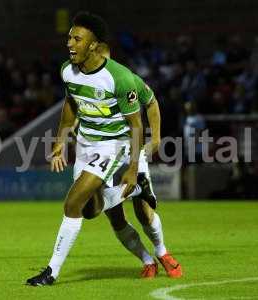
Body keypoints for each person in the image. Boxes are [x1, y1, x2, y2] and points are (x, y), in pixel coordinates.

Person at [26, 11, 153, 286]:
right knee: (90, 210)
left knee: (72, 203)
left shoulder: (119, 78)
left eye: (77, 39)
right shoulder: (67, 71)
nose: (70, 44)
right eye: (69, 37)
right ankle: (133, 191)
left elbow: (136, 125)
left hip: (112, 145)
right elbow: (71, 104)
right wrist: (60, 140)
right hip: (85, 144)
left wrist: (132, 168)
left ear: (93, 45)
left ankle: (51, 272)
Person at [81, 43, 183, 278]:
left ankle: (162, 252)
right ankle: (147, 260)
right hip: (97, 152)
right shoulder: (81, 83)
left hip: (129, 148)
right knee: (112, 215)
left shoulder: (125, 78)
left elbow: (152, 101)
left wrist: (156, 138)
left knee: (143, 212)